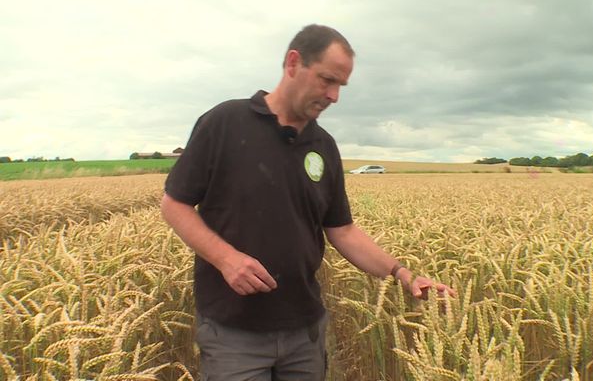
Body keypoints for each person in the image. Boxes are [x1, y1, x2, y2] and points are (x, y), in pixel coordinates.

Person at [160, 24, 456, 381]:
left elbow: (343, 231)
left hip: (305, 331)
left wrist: (402, 274)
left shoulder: (324, 147)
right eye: (327, 80)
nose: (334, 96)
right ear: (293, 63)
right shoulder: (225, 123)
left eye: (341, 86)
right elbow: (174, 205)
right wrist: (226, 259)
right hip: (233, 334)